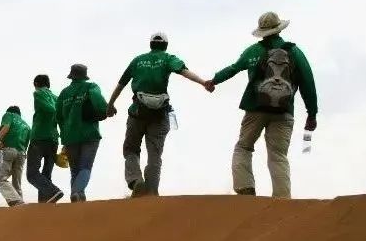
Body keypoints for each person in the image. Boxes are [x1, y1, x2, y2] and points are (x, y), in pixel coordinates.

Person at [204, 12, 318, 198]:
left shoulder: (253, 51)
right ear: (279, 29)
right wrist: (312, 114)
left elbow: (234, 68)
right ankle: (282, 200)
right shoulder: (295, 52)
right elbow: (308, 83)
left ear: (262, 32)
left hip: (255, 109)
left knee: (244, 147)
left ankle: (245, 188)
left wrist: (214, 81)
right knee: (278, 155)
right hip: (284, 111)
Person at [107, 32, 213, 197]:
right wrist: (203, 82)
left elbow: (121, 84)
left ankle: (136, 181)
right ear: (165, 45)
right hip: (160, 113)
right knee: (155, 154)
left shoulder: (137, 61)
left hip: (137, 111)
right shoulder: (168, 58)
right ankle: (151, 191)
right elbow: (184, 71)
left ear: (151, 45)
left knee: (130, 149)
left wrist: (110, 104)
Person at [56, 63, 107, 202]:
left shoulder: (63, 93)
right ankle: (77, 192)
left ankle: (78, 200)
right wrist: (105, 111)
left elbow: (59, 117)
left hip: (70, 136)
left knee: (75, 170)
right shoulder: (90, 87)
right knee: (85, 166)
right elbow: (99, 102)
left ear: (71, 76)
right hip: (89, 134)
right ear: (84, 76)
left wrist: (64, 136)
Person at [27, 75, 63, 203]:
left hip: (39, 137)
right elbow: (61, 116)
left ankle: (54, 191)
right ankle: (43, 204)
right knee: (46, 174)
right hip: (53, 139)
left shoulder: (38, 93)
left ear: (36, 83)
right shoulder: (56, 98)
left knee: (31, 174)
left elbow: (50, 109)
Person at [0, 106, 31, 207]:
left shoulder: (9, 115)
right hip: (22, 153)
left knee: (0, 179)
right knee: (17, 181)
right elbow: (28, 142)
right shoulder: (27, 125)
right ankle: (20, 205)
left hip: (8, 150)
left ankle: (16, 201)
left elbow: (6, 127)